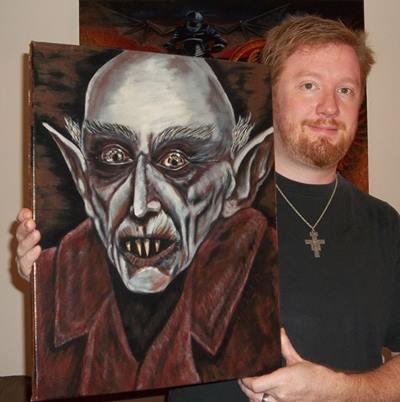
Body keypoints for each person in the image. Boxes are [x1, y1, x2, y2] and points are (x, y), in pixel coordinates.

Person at [16, 14, 400, 402]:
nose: (329, 107)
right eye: (309, 85)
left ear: (243, 174)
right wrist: (44, 274)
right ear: (270, 93)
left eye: (346, 90)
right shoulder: (105, 249)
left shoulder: (385, 224)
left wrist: (340, 391)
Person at [17, 49, 280, 401]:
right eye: (113, 157)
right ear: (82, 177)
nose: (140, 205)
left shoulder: (273, 274)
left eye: (176, 160)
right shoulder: (56, 281)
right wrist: (39, 279)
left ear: (243, 178)